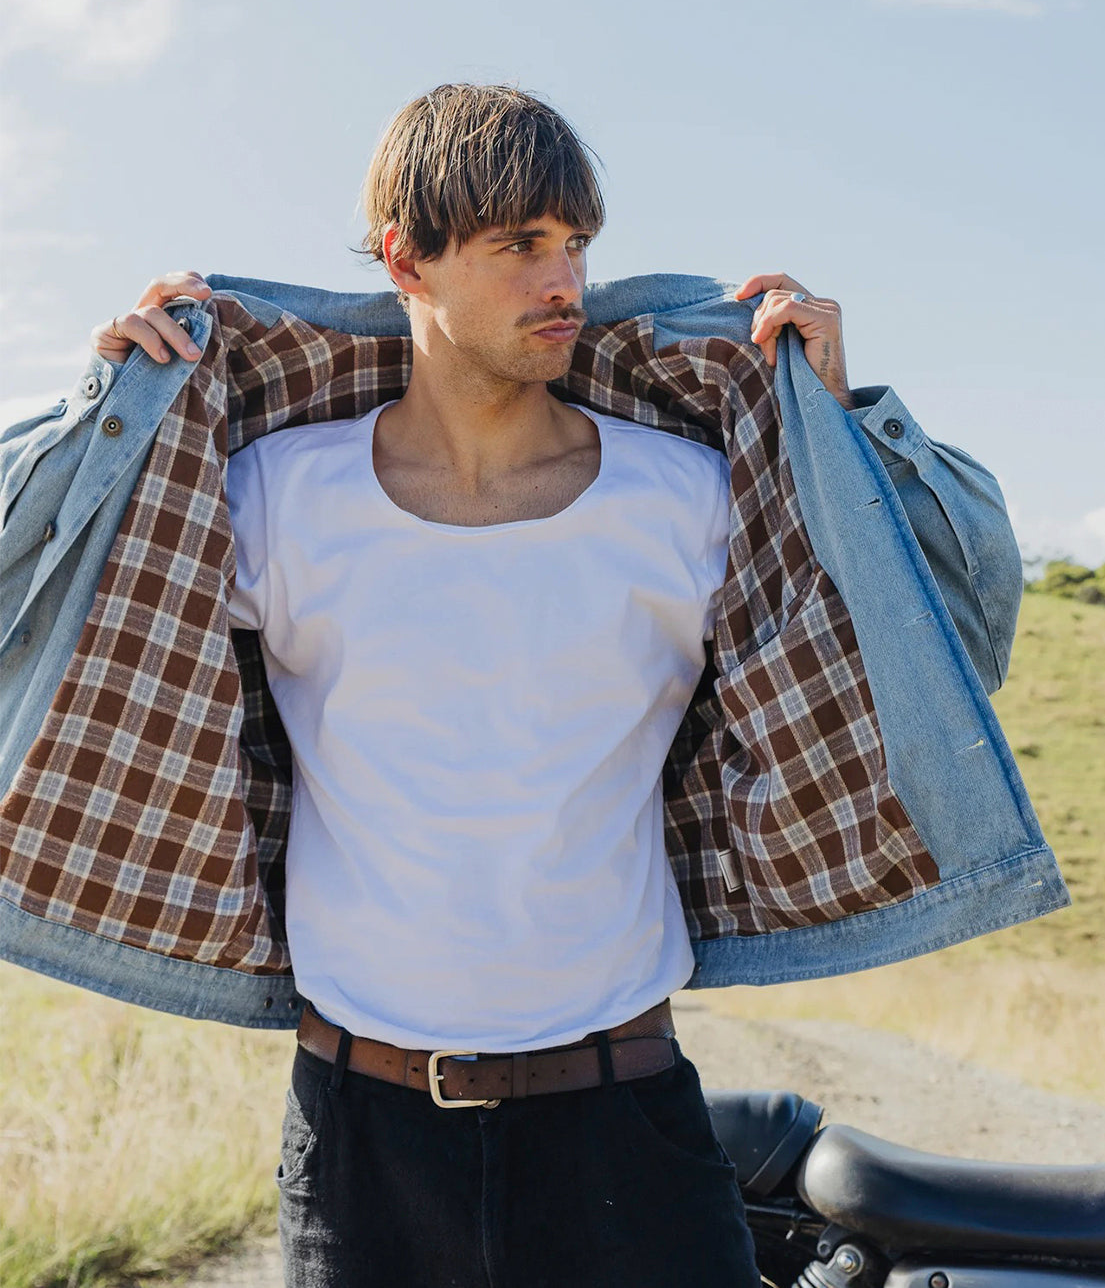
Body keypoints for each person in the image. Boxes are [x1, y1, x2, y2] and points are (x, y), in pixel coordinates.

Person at [12, 82, 1060, 1286]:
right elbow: (53, 585)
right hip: (365, 1143)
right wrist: (106, 411)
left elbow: (935, 628)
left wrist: (841, 434)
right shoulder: (275, 495)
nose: (563, 280)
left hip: (622, 1121)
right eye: (520, 245)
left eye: (575, 246)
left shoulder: (685, 497)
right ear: (407, 257)